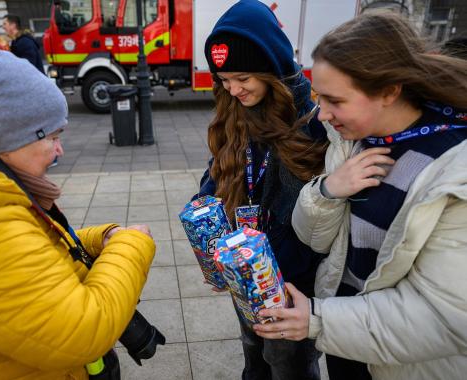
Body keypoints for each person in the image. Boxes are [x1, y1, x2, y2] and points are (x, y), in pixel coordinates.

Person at [0, 43, 156, 379]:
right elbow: (81, 332)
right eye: (52, 137)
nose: (60, 150)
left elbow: (30, 251)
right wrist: (132, 244)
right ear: (10, 139)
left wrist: (97, 239)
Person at [253, 11, 467, 380]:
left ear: (388, 91)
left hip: (407, 362)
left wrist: (318, 320)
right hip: (347, 340)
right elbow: (312, 236)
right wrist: (328, 190)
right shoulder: (351, 139)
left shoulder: (453, 172)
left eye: (335, 101)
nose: (321, 114)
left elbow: (445, 317)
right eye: (319, 97)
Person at [193, 1, 328, 379]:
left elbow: (311, 209)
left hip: (290, 280)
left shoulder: (311, 121)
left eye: (241, 78)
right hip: (243, 268)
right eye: (222, 80)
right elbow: (217, 175)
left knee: (289, 364)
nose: (232, 89)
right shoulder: (233, 112)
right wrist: (205, 220)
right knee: (253, 355)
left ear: (270, 70)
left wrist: (276, 265)